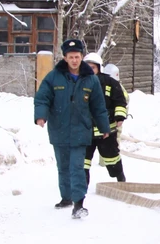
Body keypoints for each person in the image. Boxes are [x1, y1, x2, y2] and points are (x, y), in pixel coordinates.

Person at [34, 39, 110, 219]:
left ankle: (78, 204)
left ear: (82, 57)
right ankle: (66, 198)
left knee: (77, 167)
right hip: (58, 129)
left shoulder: (91, 79)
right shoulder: (53, 77)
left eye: (77, 57)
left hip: (81, 130)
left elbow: (98, 105)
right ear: (65, 58)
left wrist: (104, 126)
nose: (74, 60)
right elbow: (42, 98)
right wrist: (41, 116)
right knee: (63, 166)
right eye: (71, 57)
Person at [81, 53, 128, 185]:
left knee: (112, 158)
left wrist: (119, 117)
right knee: (82, 161)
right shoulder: (77, 83)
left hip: (106, 130)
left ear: (99, 68)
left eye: (93, 68)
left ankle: (121, 179)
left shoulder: (110, 83)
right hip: (85, 131)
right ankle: (82, 187)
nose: (90, 71)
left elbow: (120, 101)